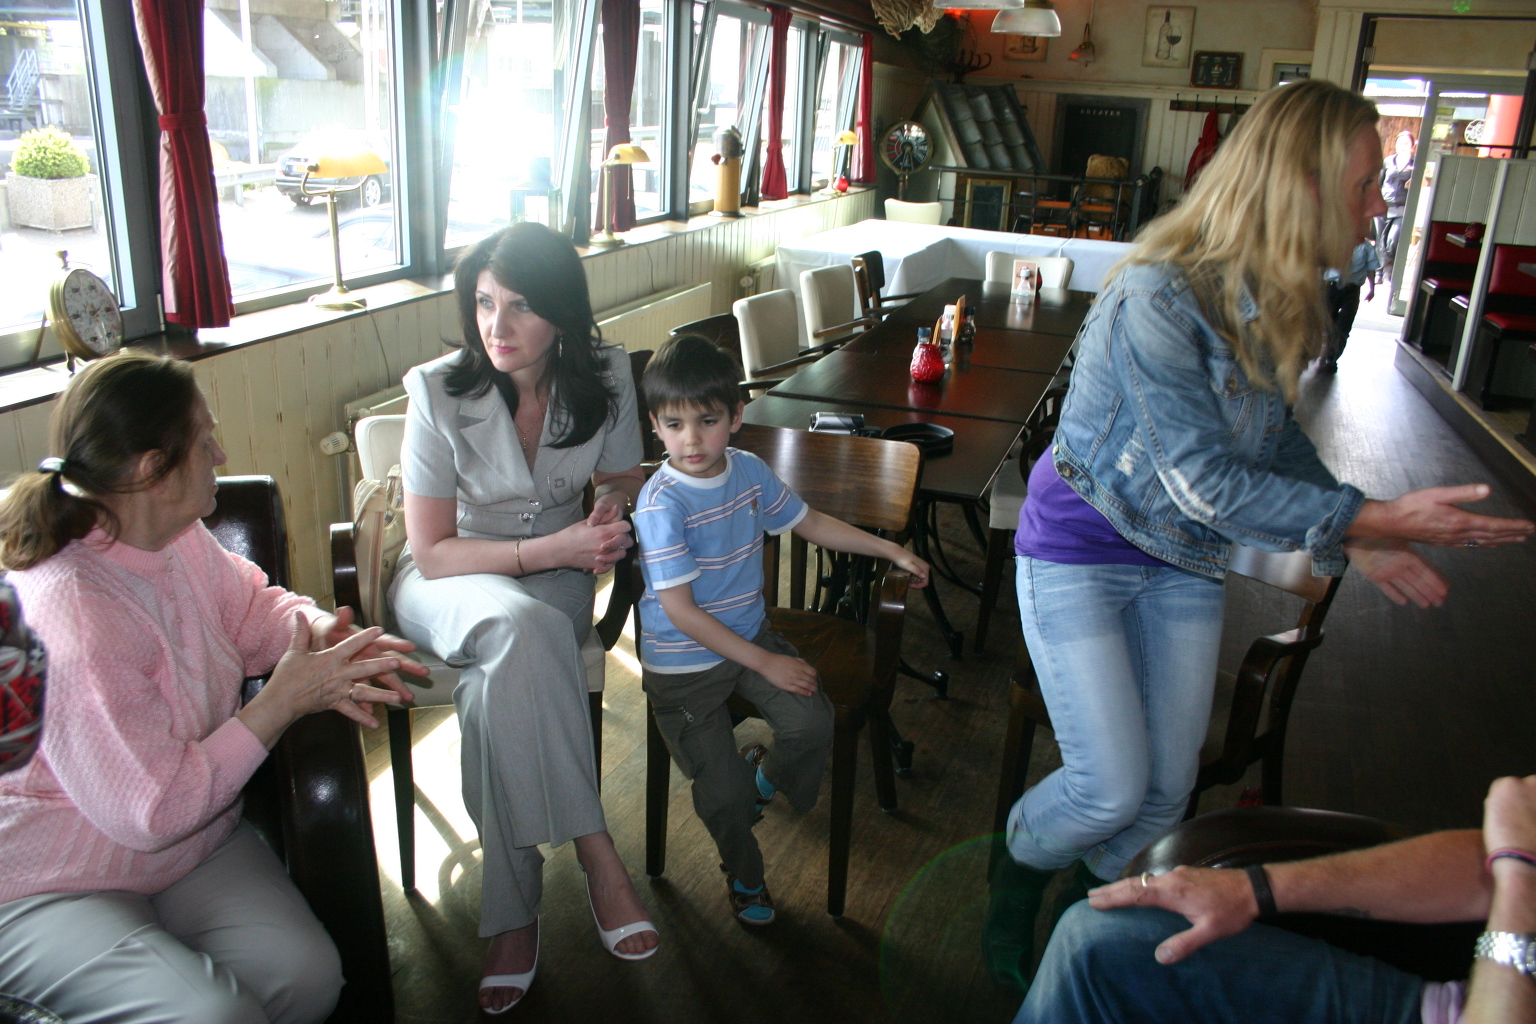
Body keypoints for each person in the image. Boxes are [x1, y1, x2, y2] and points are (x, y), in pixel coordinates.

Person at [987, 79, 1536, 992]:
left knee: (1167, 791)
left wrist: (1354, 530)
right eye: (1365, 182)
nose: (1379, 202)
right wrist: (1368, 518)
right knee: (1110, 787)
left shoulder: (1273, 293)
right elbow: (1201, 481)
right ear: (1302, 185)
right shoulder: (1158, 296)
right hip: (1082, 546)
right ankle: (1011, 879)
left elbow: (1275, 440)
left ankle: (1086, 921)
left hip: (1180, 557)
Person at [0, 352, 426, 1024]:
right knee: (211, 1015)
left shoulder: (174, 535)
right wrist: (282, 701)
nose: (220, 455)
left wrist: (326, 635)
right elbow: (153, 810)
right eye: (205, 442)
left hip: (189, 847)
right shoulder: (75, 612)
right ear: (152, 470)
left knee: (308, 977)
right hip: (53, 878)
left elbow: (251, 610)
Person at [392, 222, 657, 1014]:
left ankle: (512, 914)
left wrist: (609, 508)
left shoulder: (606, 375)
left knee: (491, 690)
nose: (496, 326)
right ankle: (598, 854)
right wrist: (556, 549)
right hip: (451, 579)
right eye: (483, 303)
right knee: (522, 630)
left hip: (561, 575)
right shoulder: (436, 390)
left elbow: (624, 475)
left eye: (520, 306)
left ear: (562, 313)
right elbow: (432, 550)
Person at [632, 336, 930, 924]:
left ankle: (764, 777)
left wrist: (891, 549)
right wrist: (767, 662)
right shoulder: (660, 504)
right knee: (724, 798)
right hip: (683, 666)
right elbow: (683, 613)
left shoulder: (748, 470)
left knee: (812, 722)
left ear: (736, 417)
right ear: (655, 427)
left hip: (748, 636)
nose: (691, 440)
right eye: (674, 425)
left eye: (708, 421)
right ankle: (746, 876)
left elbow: (809, 521)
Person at [1018, 772, 1536, 1024]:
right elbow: (1498, 848)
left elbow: (1514, 857)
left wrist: (1520, 878)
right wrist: (1253, 890)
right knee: (1093, 943)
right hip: (1443, 1003)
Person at [1320, 239, 1382, 373]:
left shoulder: (1366, 248)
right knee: (1327, 323)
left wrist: (1372, 289)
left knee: (1344, 325)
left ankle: (1332, 358)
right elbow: (1321, 265)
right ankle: (1323, 353)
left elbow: (1371, 269)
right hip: (1332, 287)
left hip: (1352, 289)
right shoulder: (1334, 242)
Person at [1379, 130, 1415, 286]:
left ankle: (1389, 271)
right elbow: (1379, 181)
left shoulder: (1416, 163)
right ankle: (1381, 273)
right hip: (1384, 204)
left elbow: (1425, 183)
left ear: (1412, 146)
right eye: (1400, 143)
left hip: (1401, 207)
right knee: (1380, 241)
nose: (1403, 146)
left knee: (1392, 239)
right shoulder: (1388, 161)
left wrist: (1414, 181)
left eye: (1406, 143)